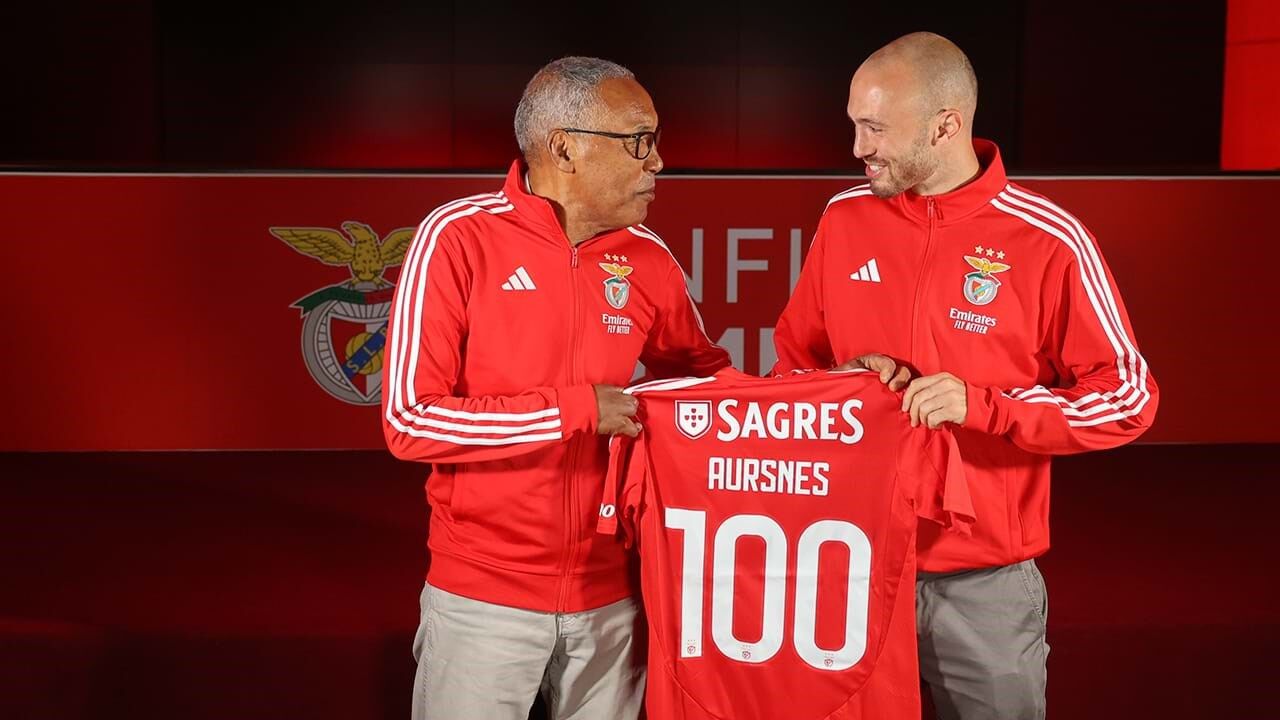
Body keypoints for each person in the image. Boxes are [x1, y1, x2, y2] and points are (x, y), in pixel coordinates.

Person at [772, 32, 1159, 720]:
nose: (858, 147)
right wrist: (844, 379)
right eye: (855, 124)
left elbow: (1128, 397)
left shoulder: (1048, 238)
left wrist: (989, 408)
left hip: (984, 584)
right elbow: (793, 368)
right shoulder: (844, 216)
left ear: (945, 126)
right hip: (850, 567)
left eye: (875, 127)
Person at [381, 56, 730, 720]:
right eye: (639, 141)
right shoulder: (456, 238)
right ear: (565, 148)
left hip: (615, 596)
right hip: (484, 598)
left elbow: (707, 382)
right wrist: (574, 411)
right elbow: (411, 420)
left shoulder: (649, 257)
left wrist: (837, 391)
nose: (657, 162)